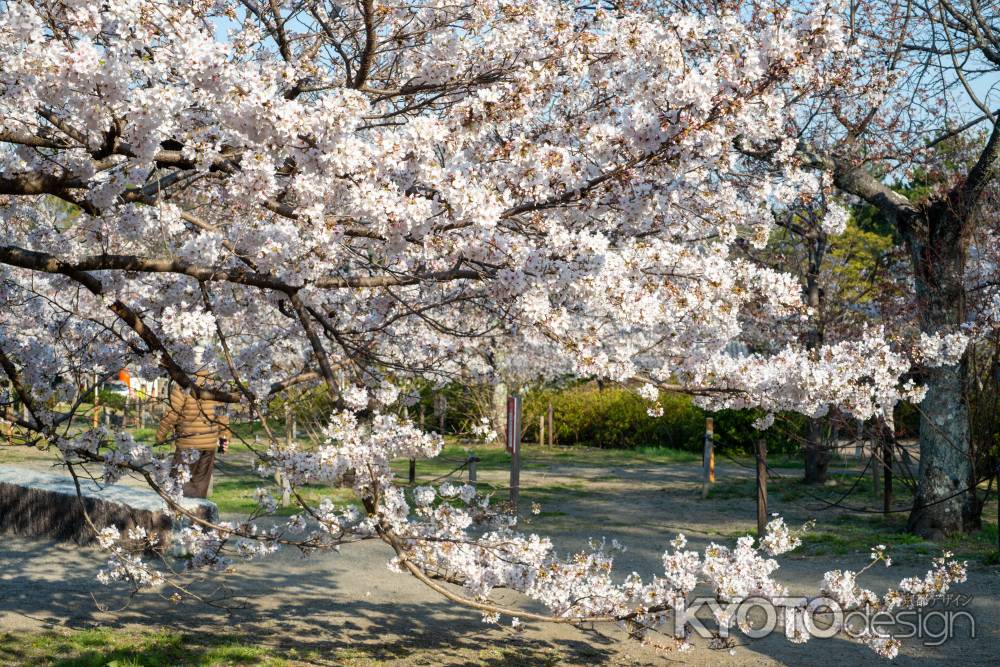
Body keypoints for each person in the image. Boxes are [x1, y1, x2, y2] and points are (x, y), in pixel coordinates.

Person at [156, 371, 230, 498]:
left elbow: (172, 414)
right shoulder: (216, 386)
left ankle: (179, 513)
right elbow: (222, 416)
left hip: (187, 445)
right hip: (208, 446)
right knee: (200, 487)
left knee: (179, 484)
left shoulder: (183, 385)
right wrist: (225, 438)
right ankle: (197, 515)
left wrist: (160, 435)